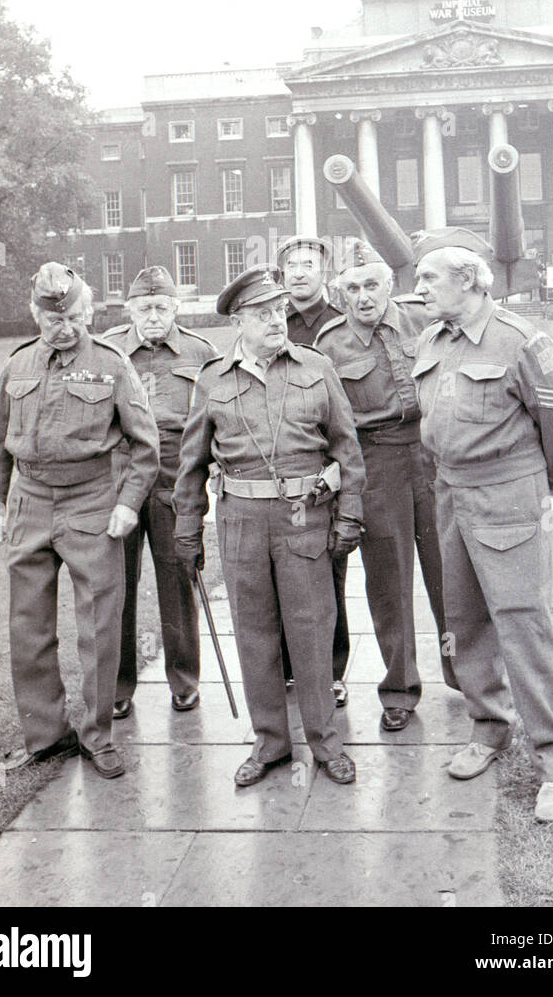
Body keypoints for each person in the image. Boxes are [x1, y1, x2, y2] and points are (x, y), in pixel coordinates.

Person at [412, 228, 553, 822]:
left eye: (429, 277)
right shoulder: (433, 339)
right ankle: (488, 729)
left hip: (507, 495)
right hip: (450, 493)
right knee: (463, 620)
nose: (419, 288)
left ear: (468, 279)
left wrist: (550, 480)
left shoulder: (519, 340)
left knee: (522, 625)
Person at [172, 265, 366, 787]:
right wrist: (188, 528)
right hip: (241, 522)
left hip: (305, 518)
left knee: (312, 629)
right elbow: (190, 464)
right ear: (239, 321)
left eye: (279, 311)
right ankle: (272, 743)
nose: (277, 321)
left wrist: (349, 515)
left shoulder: (316, 367)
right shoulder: (212, 379)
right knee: (255, 635)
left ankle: (326, 743)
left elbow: (348, 447)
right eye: (262, 314)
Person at [0, 263, 159, 779]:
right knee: (28, 625)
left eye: (75, 317)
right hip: (29, 502)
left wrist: (127, 504)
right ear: (36, 314)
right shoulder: (16, 365)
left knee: (100, 626)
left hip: (91, 502)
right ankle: (46, 736)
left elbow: (146, 445)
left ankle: (98, 736)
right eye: (52, 318)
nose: (65, 328)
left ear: (88, 312)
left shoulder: (111, 363)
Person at [315, 238, 458, 733]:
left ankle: (466, 674)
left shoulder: (426, 320)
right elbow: (328, 423)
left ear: (390, 285)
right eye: (351, 288)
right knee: (389, 584)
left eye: (371, 284)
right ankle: (399, 689)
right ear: (340, 294)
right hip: (375, 465)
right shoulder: (329, 344)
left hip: (434, 457)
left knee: (451, 574)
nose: (363, 296)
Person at [104, 265, 217, 720]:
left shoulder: (200, 351)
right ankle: (117, 686)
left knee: (178, 579)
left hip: (176, 477)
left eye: (161, 307)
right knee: (116, 585)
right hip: (120, 480)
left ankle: (184, 680)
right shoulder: (108, 349)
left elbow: (217, 420)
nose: (153, 315)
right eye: (144, 307)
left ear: (176, 307)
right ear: (130, 309)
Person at [274, 234, 348, 707]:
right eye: (291, 266)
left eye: (308, 264)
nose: (299, 272)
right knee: (281, 568)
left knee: (328, 573)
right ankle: (287, 668)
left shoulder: (342, 324)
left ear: (325, 272)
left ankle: (331, 671)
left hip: (328, 463)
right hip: (279, 466)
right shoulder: (269, 319)